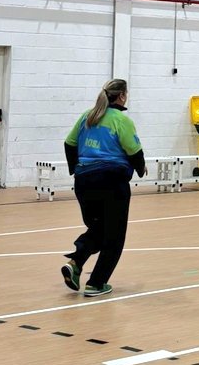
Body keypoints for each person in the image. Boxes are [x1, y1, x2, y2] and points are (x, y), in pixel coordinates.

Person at [61, 78, 146, 298]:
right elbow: (134, 150)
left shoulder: (87, 117)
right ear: (122, 96)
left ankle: (76, 263)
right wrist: (141, 168)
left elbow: (69, 143)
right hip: (111, 182)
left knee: (100, 229)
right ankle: (96, 284)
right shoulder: (120, 120)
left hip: (84, 183)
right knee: (114, 237)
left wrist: (75, 169)